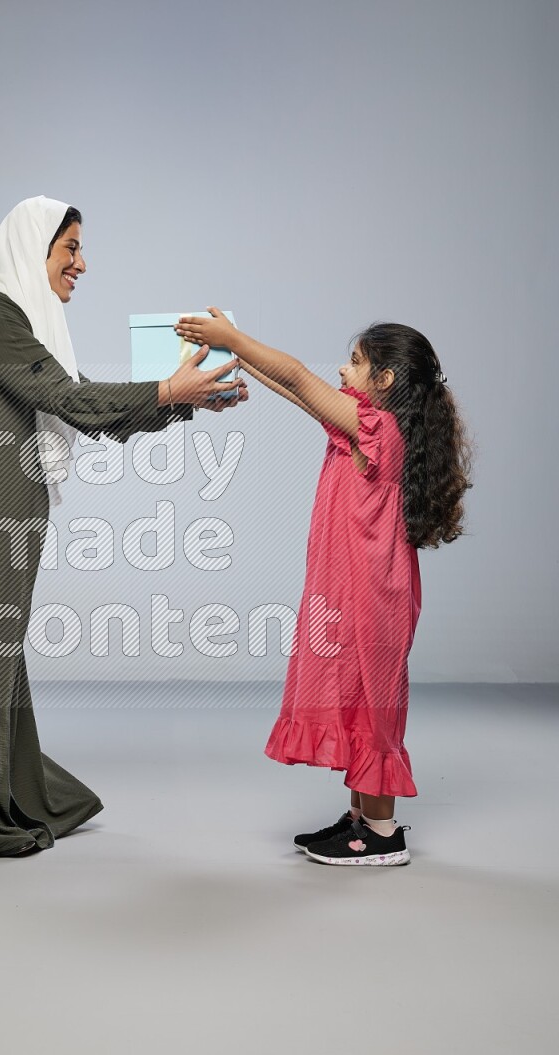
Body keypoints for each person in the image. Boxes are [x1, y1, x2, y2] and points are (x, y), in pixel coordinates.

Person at [0, 198, 248, 857]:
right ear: (32, 248)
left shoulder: (21, 324)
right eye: (70, 249)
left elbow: (79, 400)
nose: (81, 264)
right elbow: (67, 400)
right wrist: (167, 393)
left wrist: (183, 403)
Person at [176, 308, 473, 866]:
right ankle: (360, 818)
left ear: (384, 381)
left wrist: (234, 337)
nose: (342, 370)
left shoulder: (381, 431)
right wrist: (232, 359)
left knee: (374, 705)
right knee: (356, 698)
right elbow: (296, 391)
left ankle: (383, 835)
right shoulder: (360, 419)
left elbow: (296, 376)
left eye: (355, 363)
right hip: (349, 591)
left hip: (373, 597)